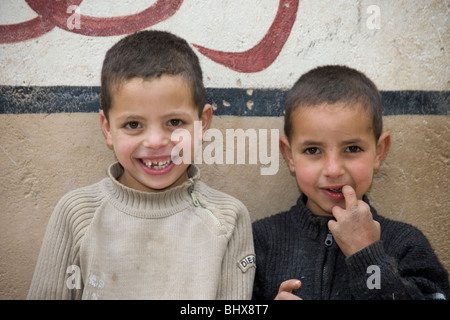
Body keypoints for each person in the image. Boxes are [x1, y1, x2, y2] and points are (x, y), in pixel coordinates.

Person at [27, 30, 255, 299]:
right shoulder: (78, 215)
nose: (156, 141)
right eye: (133, 125)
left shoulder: (227, 218)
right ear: (108, 129)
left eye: (174, 122)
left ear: (202, 123)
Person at [252, 65, 450, 300]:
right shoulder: (261, 240)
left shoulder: (405, 243)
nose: (333, 169)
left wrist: (368, 257)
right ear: (289, 155)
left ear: (378, 152)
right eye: (313, 150)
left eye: (352, 149)